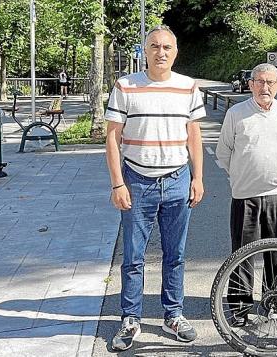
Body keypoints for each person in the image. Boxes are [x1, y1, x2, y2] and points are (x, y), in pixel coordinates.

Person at [104, 24, 205, 351]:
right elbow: (112, 137)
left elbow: (194, 137)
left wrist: (198, 178)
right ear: (145, 51)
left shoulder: (188, 87)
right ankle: (130, 318)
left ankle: (173, 314)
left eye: (167, 47)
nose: (161, 52)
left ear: (175, 52)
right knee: (133, 256)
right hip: (136, 182)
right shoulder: (126, 86)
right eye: (154, 47)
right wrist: (118, 182)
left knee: (175, 254)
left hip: (178, 181)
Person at [215, 63, 277, 326]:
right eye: (260, 82)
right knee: (242, 252)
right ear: (251, 84)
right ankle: (239, 306)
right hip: (245, 195)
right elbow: (223, 153)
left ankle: (273, 300)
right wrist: (242, 175)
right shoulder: (236, 113)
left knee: (275, 250)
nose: (265, 87)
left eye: (271, 82)